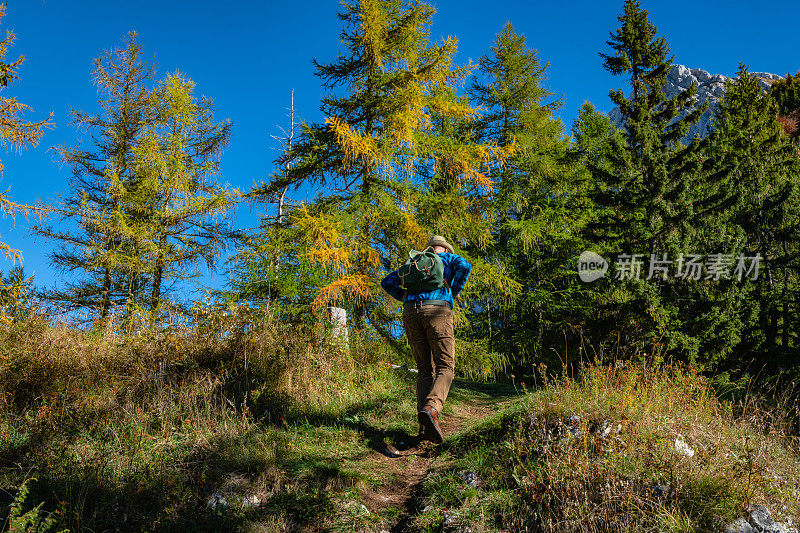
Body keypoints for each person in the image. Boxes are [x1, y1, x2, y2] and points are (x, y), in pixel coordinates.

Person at [380, 235, 471, 443]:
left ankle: (424, 428)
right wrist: (454, 290)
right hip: (437, 310)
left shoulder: (415, 263)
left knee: (424, 370)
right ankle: (432, 408)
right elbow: (465, 265)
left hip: (410, 313)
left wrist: (403, 296)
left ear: (428, 249)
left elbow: (387, 281)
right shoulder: (448, 259)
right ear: (445, 249)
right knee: (446, 366)